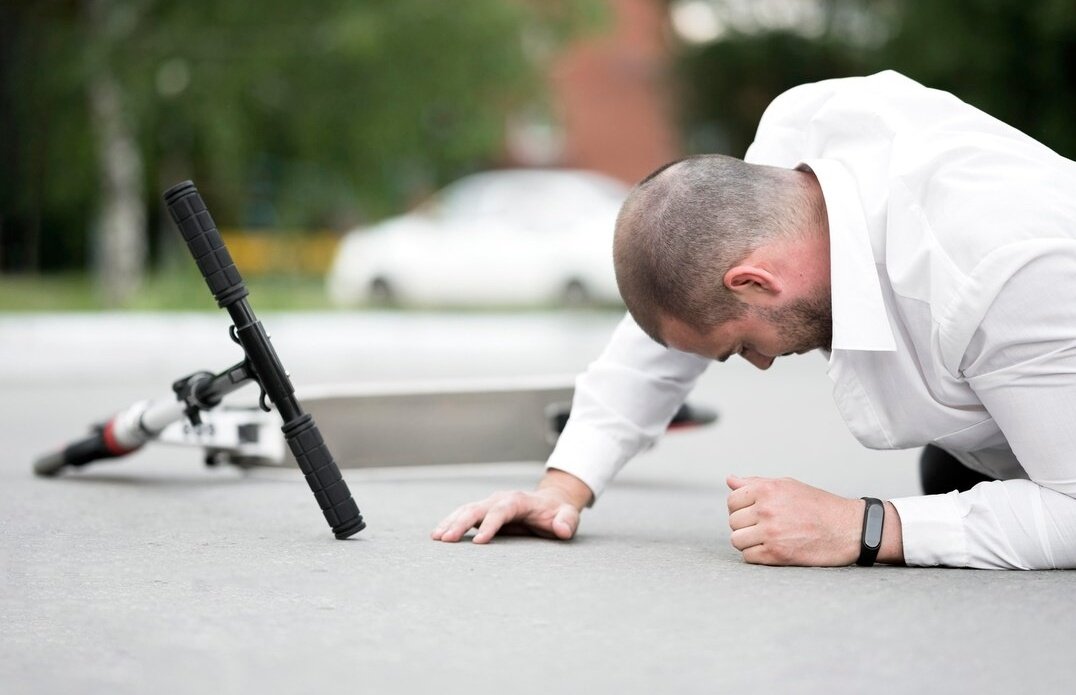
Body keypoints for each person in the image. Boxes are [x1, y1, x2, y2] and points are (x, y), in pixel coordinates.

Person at [431, 70, 1076, 570]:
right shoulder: (788, 153)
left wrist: (861, 526)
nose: (761, 363)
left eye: (740, 346)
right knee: (949, 477)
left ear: (755, 281)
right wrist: (561, 488)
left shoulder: (1002, 270)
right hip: (1005, 413)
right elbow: (678, 313)